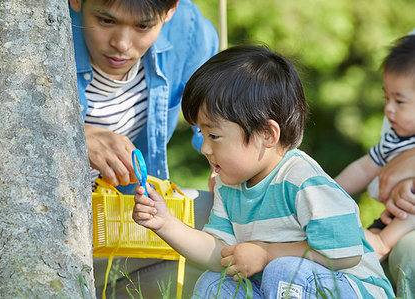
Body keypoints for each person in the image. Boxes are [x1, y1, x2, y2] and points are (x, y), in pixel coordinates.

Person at [133, 45, 394, 298]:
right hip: (278, 287)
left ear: (267, 134)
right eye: (202, 134)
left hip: (352, 287)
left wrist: (267, 253)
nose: (204, 148)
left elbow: (345, 251)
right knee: (214, 283)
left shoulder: (302, 179)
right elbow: (222, 254)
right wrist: (166, 224)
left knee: (283, 270)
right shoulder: (229, 185)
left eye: (213, 135)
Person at [69, 0, 219, 297]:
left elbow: (220, 124)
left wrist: (229, 174)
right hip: (56, 220)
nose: (121, 44)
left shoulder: (188, 30)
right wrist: (76, 138)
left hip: (120, 214)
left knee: (217, 218)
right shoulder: (36, 29)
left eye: (143, 26)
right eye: (106, 21)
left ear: (170, 10)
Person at [335, 34, 415, 298]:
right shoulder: (395, 139)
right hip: (390, 219)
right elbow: (363, 168)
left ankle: (382, 243)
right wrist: (327, 191)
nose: (389, 109)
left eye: (400, 101)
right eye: (386, 99)